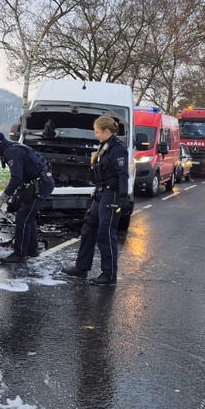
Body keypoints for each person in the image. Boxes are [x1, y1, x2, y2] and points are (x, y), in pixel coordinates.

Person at [62, 116, 129, 285]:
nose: (95, 135)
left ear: (106, 131)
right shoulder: (104, 146)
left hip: (112, 194)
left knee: (105, 234)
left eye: (97, 132)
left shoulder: (118, 149)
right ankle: (81, 267)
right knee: (88, 229)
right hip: (100, 193)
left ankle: (109, 275)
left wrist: (123, 197)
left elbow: (123, 174)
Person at [0, 130, 54, 263]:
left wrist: (2, 198)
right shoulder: (13, 147)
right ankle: (32, 250)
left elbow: (16, 178)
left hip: (40, 185)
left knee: (23, 218)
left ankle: (20, 254)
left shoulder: (11, 152)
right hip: (41, 183)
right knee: (29, 216)